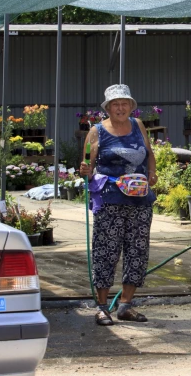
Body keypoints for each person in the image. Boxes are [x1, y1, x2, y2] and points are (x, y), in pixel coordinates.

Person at [79, 84, 157, 326]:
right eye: (116, 104)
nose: (120, 108)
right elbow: (86, 165)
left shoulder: (138, 126)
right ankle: (102, 308)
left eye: (124, 103)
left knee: (137, 251)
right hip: (110, 200)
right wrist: (84, 170)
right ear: (108, 108)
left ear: (130, 106)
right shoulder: (97, 131)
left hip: (140, 200)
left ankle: (126, 305)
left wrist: (152, 173)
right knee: (105, 251)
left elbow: (149, 153)